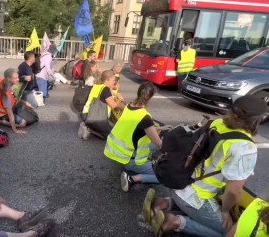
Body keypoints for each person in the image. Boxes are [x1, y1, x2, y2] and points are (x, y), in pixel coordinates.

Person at [146, 95, 267, 237]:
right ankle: (175, 221)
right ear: (256, 120)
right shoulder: (245, 147)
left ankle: (164, 203)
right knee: (232, 232)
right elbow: (234, 192)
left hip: (178, 183)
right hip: (196, 198)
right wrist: (225, 211)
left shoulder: (217, 123)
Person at [104, 82, 163, 190]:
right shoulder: (145, 117)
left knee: (151, 146)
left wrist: (160, 128)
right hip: (130, 161)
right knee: (165, 176)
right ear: (150, 97)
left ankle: (144, 165)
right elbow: (159, 143)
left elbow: (137, 128)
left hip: (118, 153)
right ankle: (133, 178)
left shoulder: (129, 106)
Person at [78, 70, 125, 140]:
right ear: (107, 80)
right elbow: (114, 105)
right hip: (94, 117)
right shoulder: (105, 90)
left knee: (108, 129)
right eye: (113, 80)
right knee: (112, 135)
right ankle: (89, 129)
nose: (114, 82)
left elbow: (108, 93)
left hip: (86, 114)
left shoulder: (97, 85)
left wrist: (115, 94)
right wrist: (126, 106)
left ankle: (89, 125)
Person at [0, 68, 29, 134]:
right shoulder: (6, 95)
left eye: (18, 77)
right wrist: (15, 130)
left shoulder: (0, 80)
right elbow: (10, 114)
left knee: (23, 108)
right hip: (0, 114)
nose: (18, 79)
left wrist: (24, 102)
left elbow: (13, 98)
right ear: (8, 79)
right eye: (15, 78)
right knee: (23, 123)